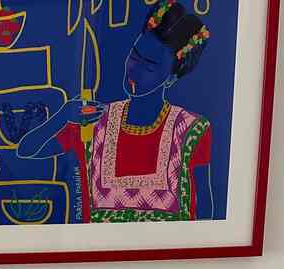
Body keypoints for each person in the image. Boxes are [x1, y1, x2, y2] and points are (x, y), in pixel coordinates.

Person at [17, 0, 213, 222]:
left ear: (170, 78)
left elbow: (206, 213)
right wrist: (63, 115)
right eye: (134, 55)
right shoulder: (93, 121)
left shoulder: (191, 130)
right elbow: (27, 149)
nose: (134, 69)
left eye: (149, 65)